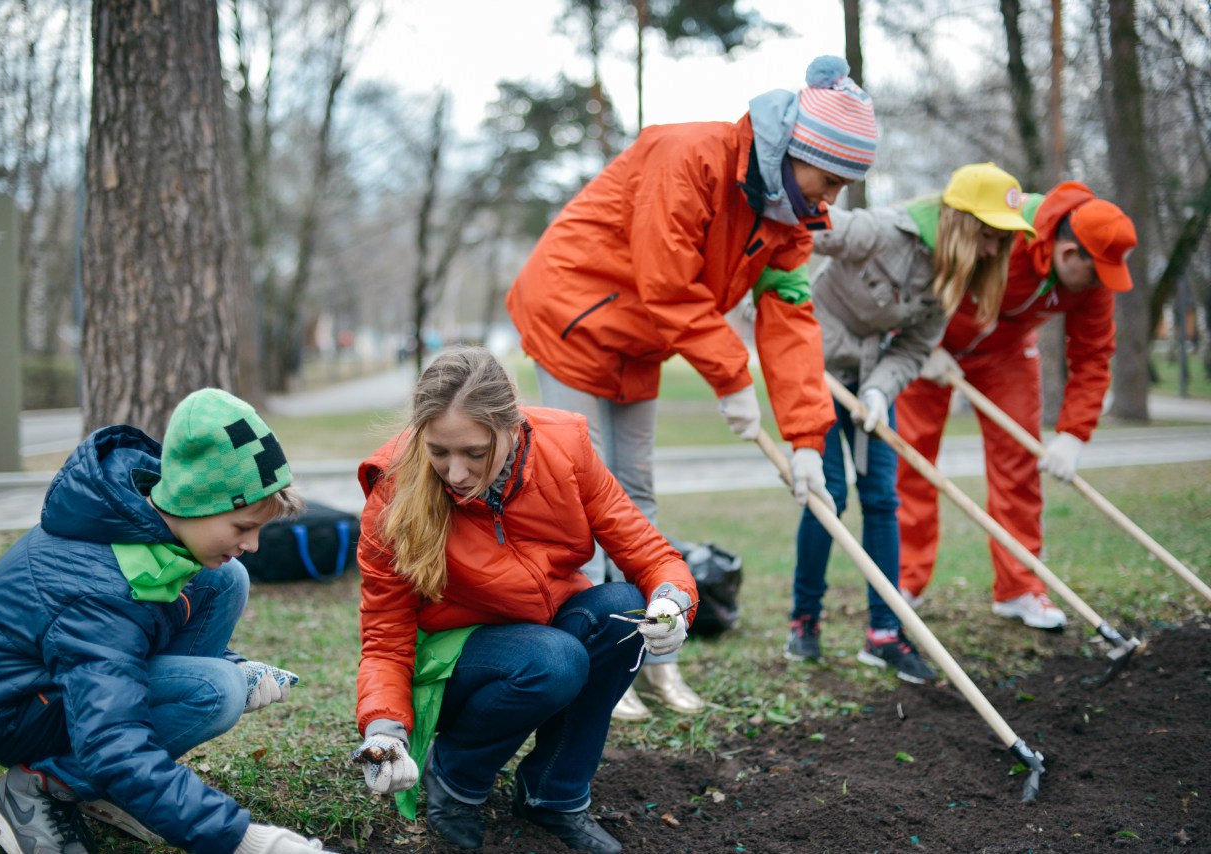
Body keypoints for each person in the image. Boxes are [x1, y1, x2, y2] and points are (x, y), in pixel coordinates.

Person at [507, 55, 877, 719]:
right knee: (576, 498)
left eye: (844, 188)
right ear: (798, 151)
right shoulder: (690, 156)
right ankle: (590, 663)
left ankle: (653, 661)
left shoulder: (789, 219)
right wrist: (732, 377)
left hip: (638, 339)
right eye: (829, 179)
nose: (830, 199)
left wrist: (805, 438)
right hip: (571, 315)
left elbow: (791, 320)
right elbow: (668, 282)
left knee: (637, 493)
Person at [0, 388, 335, 854]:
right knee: (214, 691)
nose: (253, 544)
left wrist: (234, 661)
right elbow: (112, 737)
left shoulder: (147, 527)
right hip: (13, 710)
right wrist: (244, 840)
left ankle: (110, 788)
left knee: (225, 579)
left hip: (65, 687)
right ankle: (36, 787)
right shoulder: (96, 588)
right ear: (198, 501)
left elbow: (132, 645)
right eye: (242, 527)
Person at [351, 348, 698, 854]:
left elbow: (647, 551)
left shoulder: (565, 447)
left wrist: (672, 601)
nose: (456, 473)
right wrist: (386, 730)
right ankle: (455, 779)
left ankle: (552, 796)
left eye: (474, 452)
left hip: (545, 632)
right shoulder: (395, 491)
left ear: (513, 426)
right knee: (554, 660)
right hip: (458, 666)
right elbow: (385, 637)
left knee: (625, 610)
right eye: (439, 451)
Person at [784, 162, 1035, 681]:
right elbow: (797, 228)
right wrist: (777, 314)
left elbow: (917, 346)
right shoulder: (877, 232)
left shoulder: (953, 275)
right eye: (989, 236)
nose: (993, 251)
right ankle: (804, 619)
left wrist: (879, 389)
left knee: (883, 498)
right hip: (817, 370)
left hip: (873, 378)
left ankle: (885, 632)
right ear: (961, 223)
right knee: (827, 494)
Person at [895, 181, 1139, 629]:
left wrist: (1072, 434)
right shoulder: (1004, 225)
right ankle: (904, 581)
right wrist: (919, 343)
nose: (1101, 286)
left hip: (1006, 354)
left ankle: (1019, 588)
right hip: (933, 342)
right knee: (912, 461)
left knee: (1018, 465)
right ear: (1068, 255)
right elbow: (914, 268)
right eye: (1097, 273)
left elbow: (1092, 356)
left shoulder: (1092, 281)